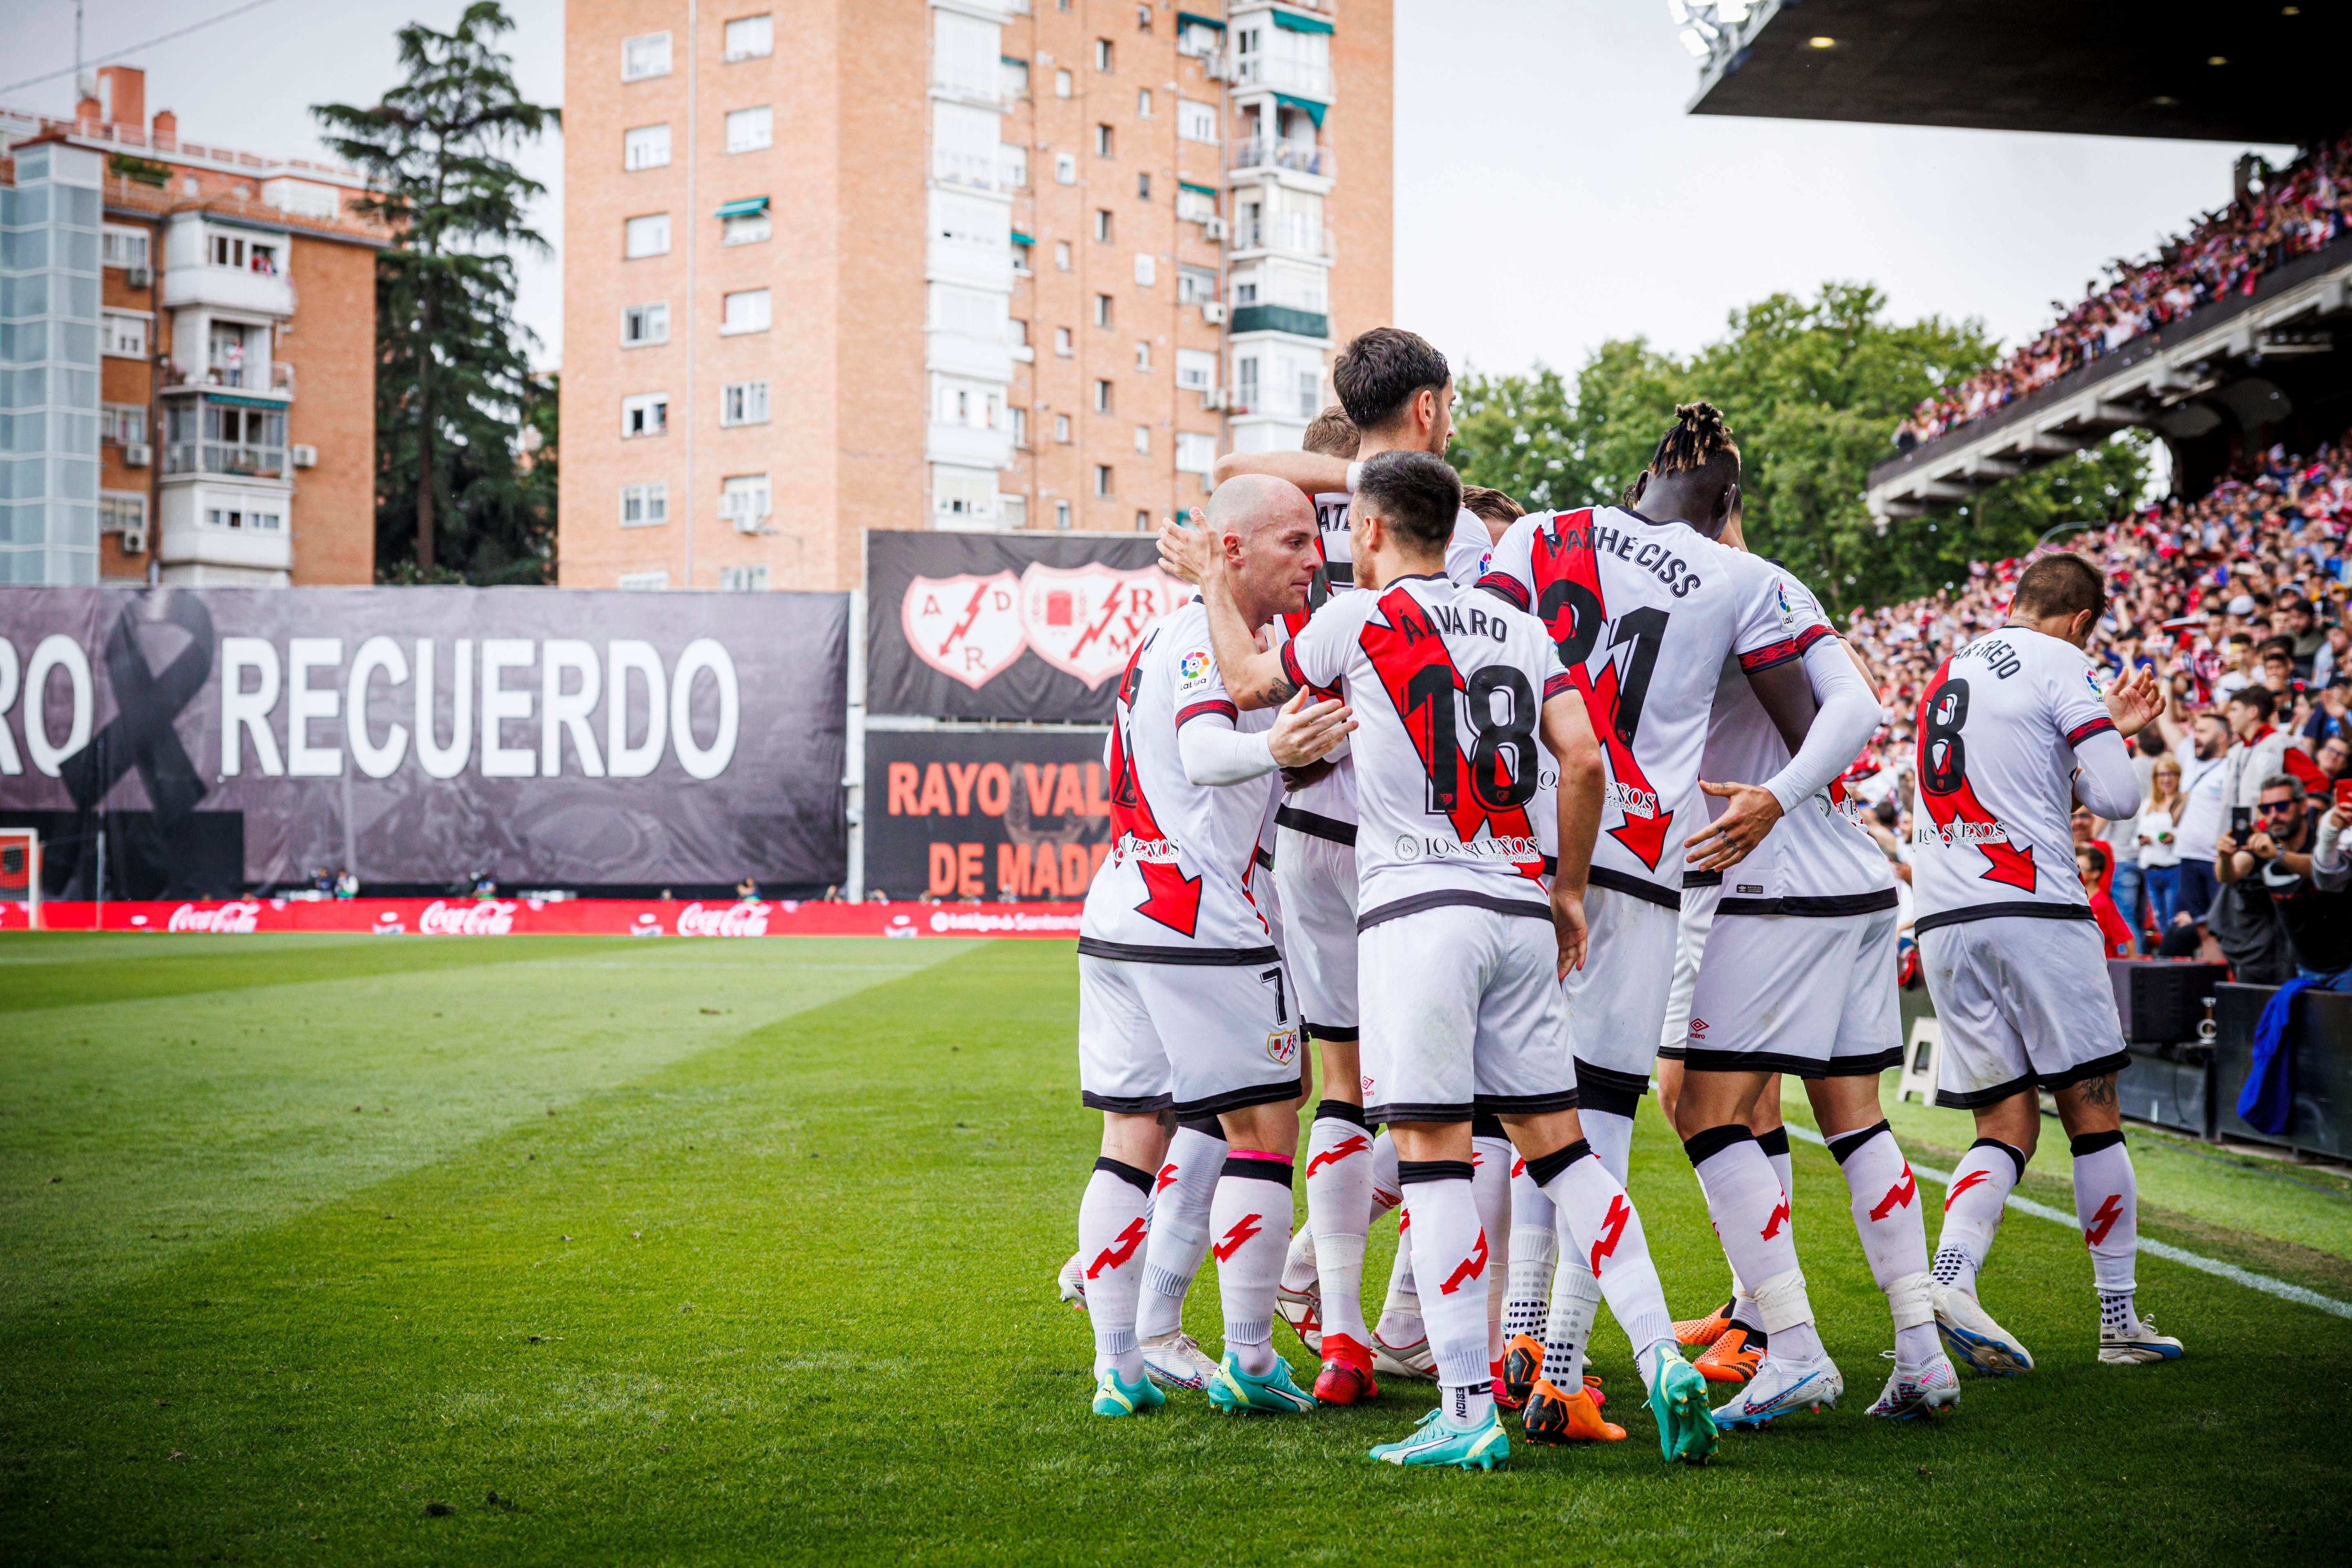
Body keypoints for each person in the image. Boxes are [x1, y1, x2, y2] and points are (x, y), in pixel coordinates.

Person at [1183, 447, 1719, 1469]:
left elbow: (1249, 682)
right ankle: (1659, 1357)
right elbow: (1582, 757)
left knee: (1431, 1157)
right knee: (1560, 1151)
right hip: (1517, 908)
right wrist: (1566, 888)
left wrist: (1214, 583)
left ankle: (1467, 1409)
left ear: (1371, 531)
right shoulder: (1520, 627)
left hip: (1417, 914)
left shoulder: (1360, 616)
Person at [1473, 403, 1860, 1440]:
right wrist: (1773, 795)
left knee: (1512, 1099)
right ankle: (1560, 1365)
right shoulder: (1740, 578)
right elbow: (1816, 721)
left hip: (1521, 837)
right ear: (1727, 503)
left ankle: (1510, 1333)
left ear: (1641, 476)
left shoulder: (1533, 531)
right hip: (1639, 859)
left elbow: (1478, 668)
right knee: (1594, 1110)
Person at [1189, 332, 1512, 1400]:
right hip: (1411, 841)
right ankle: (1423, 1322)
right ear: (1427, 409)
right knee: (1458, 1102)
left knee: (1338, 1087)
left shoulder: (1280, 487)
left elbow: (1230, 477)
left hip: (1304, 827)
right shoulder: (1441, 512)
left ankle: (1337, 1337)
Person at [1661, 517, 1964, 1426]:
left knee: (1700, 1109)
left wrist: (1775, 798)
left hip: (1769, 883)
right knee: (1854, 1116)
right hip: (1852, 883)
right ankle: (1920, 1354)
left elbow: (1860, 712)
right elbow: (1850, 707)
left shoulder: (1698, 586)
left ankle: (1789, 1347)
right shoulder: (1781, 586)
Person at [1069, 474, 1353, 1419]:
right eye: (1291, 542)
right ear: (1229, 550)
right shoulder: (1201, 636)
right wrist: (1276, 752)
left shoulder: (1171, 636)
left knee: (1128, 1143)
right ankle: (1249, 1356)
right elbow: (1200, 755)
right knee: (1266, 1132)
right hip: (1204, 925)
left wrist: (1291, 745)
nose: (1311, 558)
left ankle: (1119, 1366)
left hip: (1120, 917)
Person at [1909, 553, 2183, 1373]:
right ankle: (2119, 1320)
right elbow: (2120, 799)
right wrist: (2111, 734)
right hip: (2035, 913)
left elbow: (2019, 791)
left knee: (2004, 1122)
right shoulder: (2068, 664)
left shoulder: (1950, 670)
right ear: (2084, 621)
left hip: (1947, 918)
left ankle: (1950, 1279)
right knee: (2093, 1112)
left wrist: (2099, 737)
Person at [2217, 773, 2352, 984]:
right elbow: (2230, 874)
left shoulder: (2321, 841)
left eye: (2281, 807)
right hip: (2304, 967)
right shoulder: (2264, 844)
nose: (2274, 816)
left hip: (2345, 965)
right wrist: (2225, 856)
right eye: (2266, 809)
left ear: (2303, 807)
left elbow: (2325, 871)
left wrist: (2279, 855)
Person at [2138, 757, 2187, 933]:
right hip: (2151, 869)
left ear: (2179, 776)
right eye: (2162, 775)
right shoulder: (2147, 805)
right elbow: (2134, 838)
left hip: (2174, 868)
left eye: (2171, 774)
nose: (2166, 779)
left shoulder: (2185, 803)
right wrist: (2142, 840)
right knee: (2159, 920)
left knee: (2174, 917)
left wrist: (2174, 837)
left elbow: (2190, 834)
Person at [2081, 844, 2136, 958]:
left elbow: (2127, 937)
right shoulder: (2077, 898)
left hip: (2101, 967)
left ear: (2095, 874)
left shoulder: (2103, 903)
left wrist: (2130, 970)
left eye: (2081, 869)